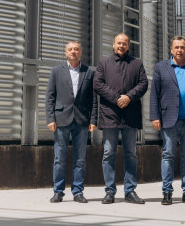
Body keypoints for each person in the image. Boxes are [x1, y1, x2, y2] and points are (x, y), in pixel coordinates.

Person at [93, 33, 149, 204]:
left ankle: (130, 191)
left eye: (124, 43)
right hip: (110, 114)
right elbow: (98, 84)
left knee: (131, 154)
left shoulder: (137, 63)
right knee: (109, 153)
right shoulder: (104, 63)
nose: (121, 46)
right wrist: (116, 98)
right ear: (113, 44)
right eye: (119, 43)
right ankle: (110, 191)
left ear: (128, 45)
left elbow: (143, 84)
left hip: (130, 115)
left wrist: (129, 97)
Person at [150, 36, 185, 205]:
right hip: (169, 119)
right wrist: (154, 116)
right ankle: (167, 192)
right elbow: (154, 94)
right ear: (171, 50)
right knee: (168, 155)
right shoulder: (161, 67)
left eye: (182, 47)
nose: (179, 50)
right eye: (176, 47)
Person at [45, 41, 97, 203]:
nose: (73, 51)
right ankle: (58, 192)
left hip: (82, 120)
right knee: (59, 158)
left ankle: (78, 192)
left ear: (80, 52)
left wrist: (93, 120)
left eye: (76, 49)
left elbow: (93, 99)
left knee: (80, 158)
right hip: (61, 119)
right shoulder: (56, 71)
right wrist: (50, 118)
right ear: (65, 52)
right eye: (70, 49)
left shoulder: (89, 72)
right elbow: (50, 96)